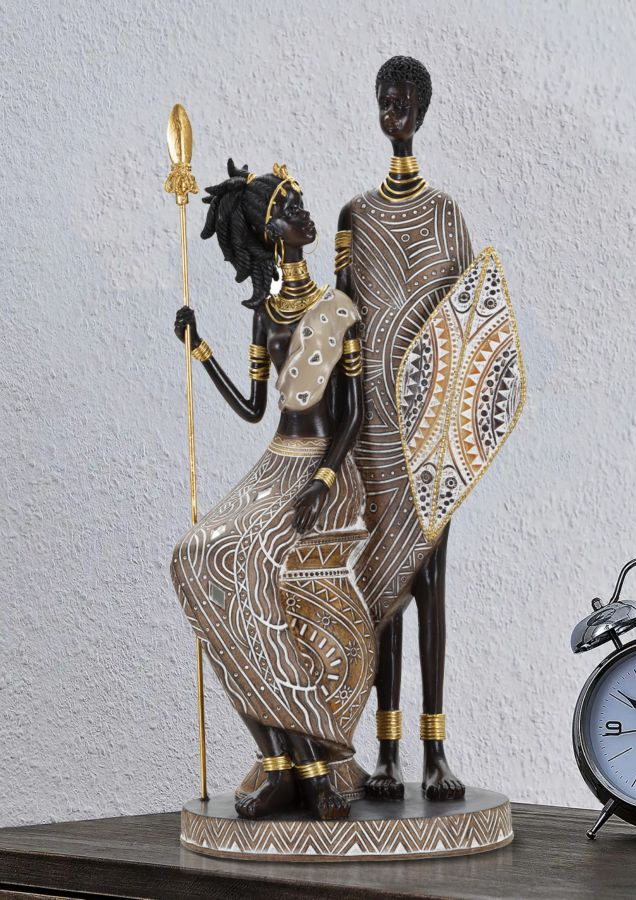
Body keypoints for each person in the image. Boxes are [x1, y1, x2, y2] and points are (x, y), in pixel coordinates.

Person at [170, 159, 375, 822]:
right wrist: (200, 350)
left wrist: (321, 483)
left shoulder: (338, 309)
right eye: (289, 209)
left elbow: (352, 416)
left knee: (250, 561)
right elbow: (254, 408)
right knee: (194, 558)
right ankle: (283, 760)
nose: (303, 214)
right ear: (269, 233)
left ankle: (311, 761)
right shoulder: (266, 315)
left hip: (324, 471)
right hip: (274, 466)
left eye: (299, 202)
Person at [335, 56, 471, 801]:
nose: (392, 113)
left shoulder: (446, 215)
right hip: (374, 430)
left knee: (432, 585)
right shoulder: (353, 217)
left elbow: (470, 324)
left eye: (403, 102)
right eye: (383, 101)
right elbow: (338, 322)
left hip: (433, 432)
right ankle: (386, 752)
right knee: (383, 587)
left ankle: (435, 750)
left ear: (421, 109)